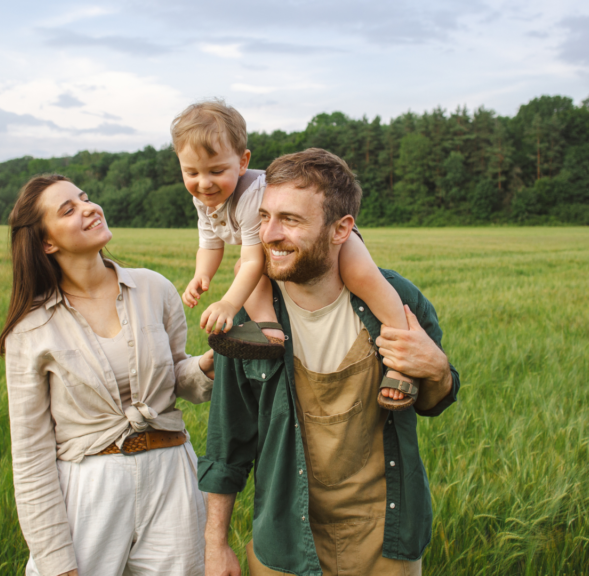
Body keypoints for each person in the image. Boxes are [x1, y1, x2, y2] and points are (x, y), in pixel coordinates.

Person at [198, 149, 461, 576]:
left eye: (291, 220)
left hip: (386, 538)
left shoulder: (397, 302)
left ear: (342, 229)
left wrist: (437, 370)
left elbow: (433, 400)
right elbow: (228, 441)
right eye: (263, 217)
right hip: (283, 542)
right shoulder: (245, 321)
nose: (269, 234)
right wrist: (215, 544)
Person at [0, 174, 215, 576]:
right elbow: (30, 455)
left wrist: (206, 367)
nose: (89, 208)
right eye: (68, 209)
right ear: (47, 242)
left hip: (172, 478)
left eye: (85, 198)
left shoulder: (154, 288)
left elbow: (176, 374)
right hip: (89, 490)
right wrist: (55, 560)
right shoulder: (30, 330)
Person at [172, 100, 419, 410]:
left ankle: (404, 357)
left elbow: (253, 260)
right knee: (241, 268)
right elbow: (209, 242)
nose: (203, 182)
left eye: (216, 171)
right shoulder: (204, 197)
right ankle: (270, 329)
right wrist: (202, 275)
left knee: (364, 278)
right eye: (190, 172)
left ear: (243, 162)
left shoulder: (249, 197)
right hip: (276, 244)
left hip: (329, 236)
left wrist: (228, 303)